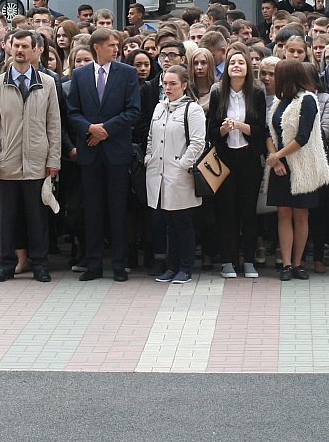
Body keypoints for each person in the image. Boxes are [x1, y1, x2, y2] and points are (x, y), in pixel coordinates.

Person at [0, 30, 62, 283]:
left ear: (34, 50)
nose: (20, 50)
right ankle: (6, 265)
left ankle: (40, 264)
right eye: (16, 45)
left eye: (25, 46)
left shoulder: (47, 83)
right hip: (6, 163)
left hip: (38, 162)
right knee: (6, 218)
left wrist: (54, 160)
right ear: (8, 47)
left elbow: (54, 124)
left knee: (37, 218)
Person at [68, 28, 142, 282]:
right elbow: (72, 111)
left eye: (117, 45)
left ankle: (119, 265)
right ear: (97, 47)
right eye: (111, 45)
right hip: (90, 153)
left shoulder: (127, 74)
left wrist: (106, 130)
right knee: (93, 210)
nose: (116, 49)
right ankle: (94, 264)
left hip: (116, 152)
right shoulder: (80, 75)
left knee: (118, 210)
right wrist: (89, 128)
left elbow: (133, 111)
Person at [207, 47, 266, 279]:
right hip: (225, 158)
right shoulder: (217, 93)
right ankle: (228, 261)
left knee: (248, 212)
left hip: (249, 158)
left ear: (248, 68)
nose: (237, 66)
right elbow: (212, 129)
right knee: (226, 212)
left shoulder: (257, 93)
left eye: (241, 63)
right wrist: (224, 128)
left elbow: (261, 131)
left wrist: (239, 126)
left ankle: (249, 260)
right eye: (233, 63)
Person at [146, 65, 207, 284]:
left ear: (184, 85)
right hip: (158, 174)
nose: (168, 87)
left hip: (180, 175)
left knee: (183, 222)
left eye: (173, 84)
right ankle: (171, 267)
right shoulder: (159, 108)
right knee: (168, 222)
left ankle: (185, 267)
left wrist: (183, 165)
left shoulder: (193, 109)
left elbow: (198, 142)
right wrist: (148, 157)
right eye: (165, 83)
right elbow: (151, 137)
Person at [265, 58, 324, 280]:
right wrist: (276, 160)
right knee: (283, 213)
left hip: (301, 166)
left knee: (301, 214)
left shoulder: (307, 100)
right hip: (280, 166)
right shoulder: (278, 102)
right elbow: (268, 131)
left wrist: (277, 156)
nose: (272, 79)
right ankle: (286, 264)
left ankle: (299, 263)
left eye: (277, 74)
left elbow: (303, 137)